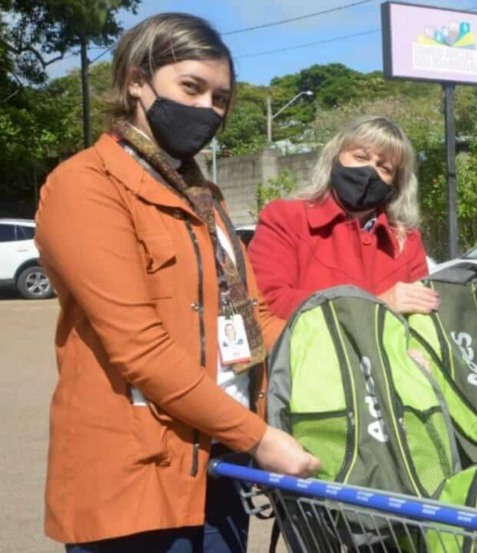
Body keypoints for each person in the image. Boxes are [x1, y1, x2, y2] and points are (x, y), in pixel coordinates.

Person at [34, 13, 320, 553]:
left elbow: (252, 317)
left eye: (219, 98)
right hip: (135, 474)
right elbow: (140, 348)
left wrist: (348, 348)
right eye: (191, 87)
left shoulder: (202, 197)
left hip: (223, 463)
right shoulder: (87, 187)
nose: (207, 110)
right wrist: (259, 438)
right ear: (137, 81)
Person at [249, 115, 439, 319]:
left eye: (384, 168)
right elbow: (272, 302)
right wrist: (378, 306)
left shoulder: (406, 241)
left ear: (395, 184)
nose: (369, 171)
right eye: (360, 157)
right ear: (335, 157)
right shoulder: (286, 218)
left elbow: (424, 313)